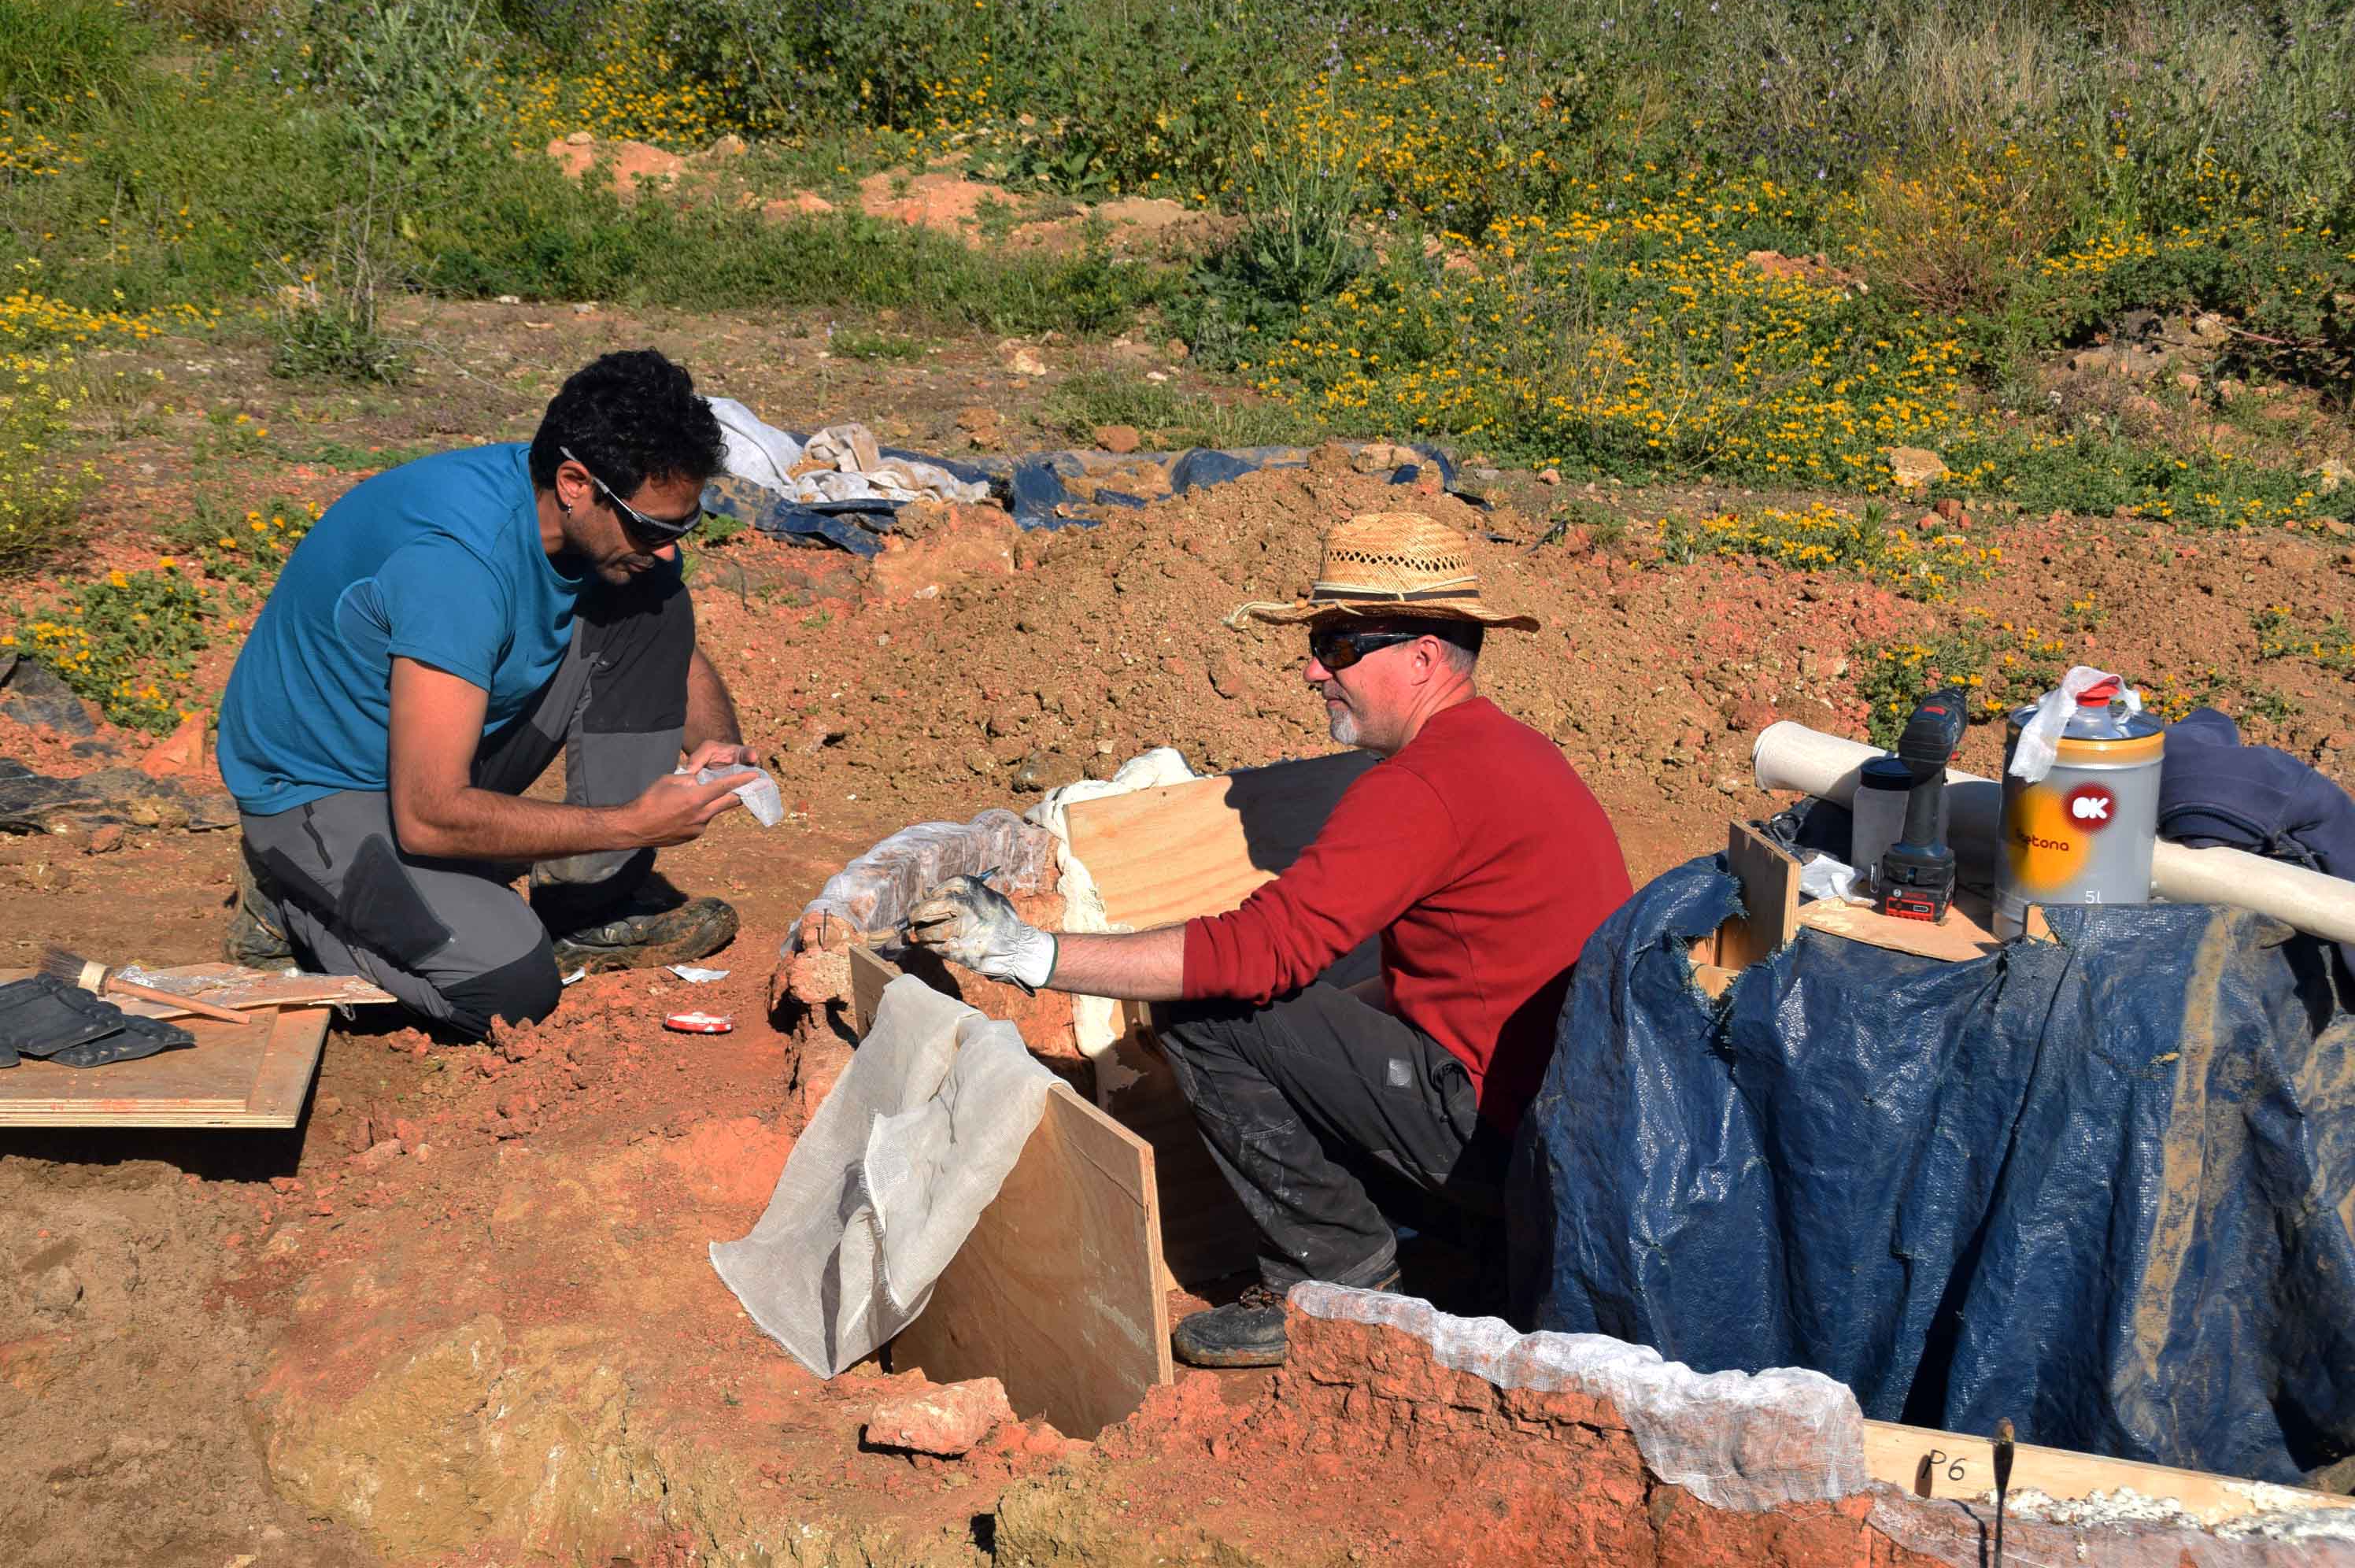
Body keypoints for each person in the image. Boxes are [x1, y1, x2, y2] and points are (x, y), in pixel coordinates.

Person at [908, 509, 1632, 1367]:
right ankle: (1435, 1244)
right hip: (1555, 1125)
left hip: (1499, 1134)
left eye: (1335, 646)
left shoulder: (1423, 787)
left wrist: (1034, 953)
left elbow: (1255, 952)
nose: (1312, 671)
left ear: (1424, 657)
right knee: (1293, 1007)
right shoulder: (1511, 752)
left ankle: (1331, 1285)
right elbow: (1440, 979)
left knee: (1208, 1011)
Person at [215, 349, 760, 1038]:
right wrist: (633, 822)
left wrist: (716, 739)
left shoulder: (575, 508)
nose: (667, 547)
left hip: (435, 748)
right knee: (508, 986)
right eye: (652, 526)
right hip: (320, 788)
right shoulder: (457, 567)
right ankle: (289, 900)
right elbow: (428, 815)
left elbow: (676, 650)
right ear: (575, 482)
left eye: (683, 527)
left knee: (654, 602)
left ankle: (588, 903)